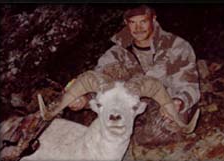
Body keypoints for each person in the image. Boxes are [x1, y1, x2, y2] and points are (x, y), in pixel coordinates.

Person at [66, 5, 200, 126]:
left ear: (153, 19)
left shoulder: (177, 46)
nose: (138, 28)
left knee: (168, 127)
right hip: (128, 106)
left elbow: (188, 85)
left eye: (143, 21)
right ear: (126, 23)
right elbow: (100, 80)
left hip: (165, 101)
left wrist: (178, 101)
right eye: (133, 22)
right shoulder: (116, 53)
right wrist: (84, 98)